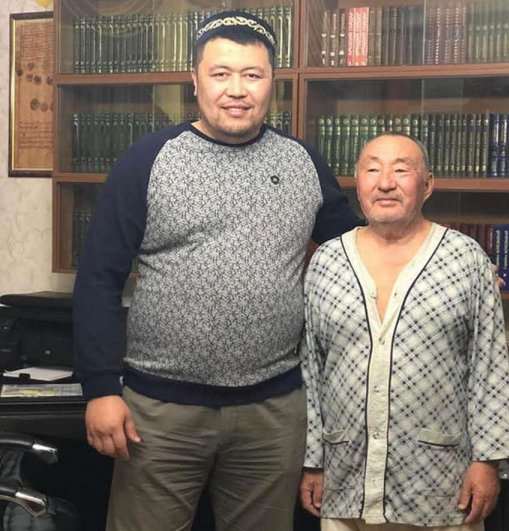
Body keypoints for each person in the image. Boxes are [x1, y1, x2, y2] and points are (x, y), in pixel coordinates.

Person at [73, 10, 360, 531]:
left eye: (252, 74)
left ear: (272, 81)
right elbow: (98, 277)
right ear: (196, 80)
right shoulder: (149, 159)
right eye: (221, 73)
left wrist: (447, 265)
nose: (237, 90)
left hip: (272, 412)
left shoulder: (302, 163)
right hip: (158, 410)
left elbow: (359, 251)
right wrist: (100, 388)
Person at [299, 133, 509, 531]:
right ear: (358, 182)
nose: (385, 182)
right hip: (345, 480)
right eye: (372, 170)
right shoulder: (328, 260)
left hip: (441, 483)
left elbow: (489, 367)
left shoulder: (465, 258)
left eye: (401, 170)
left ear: (428, 184)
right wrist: (312, 461)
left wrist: (487, 462)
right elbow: (310, 370)